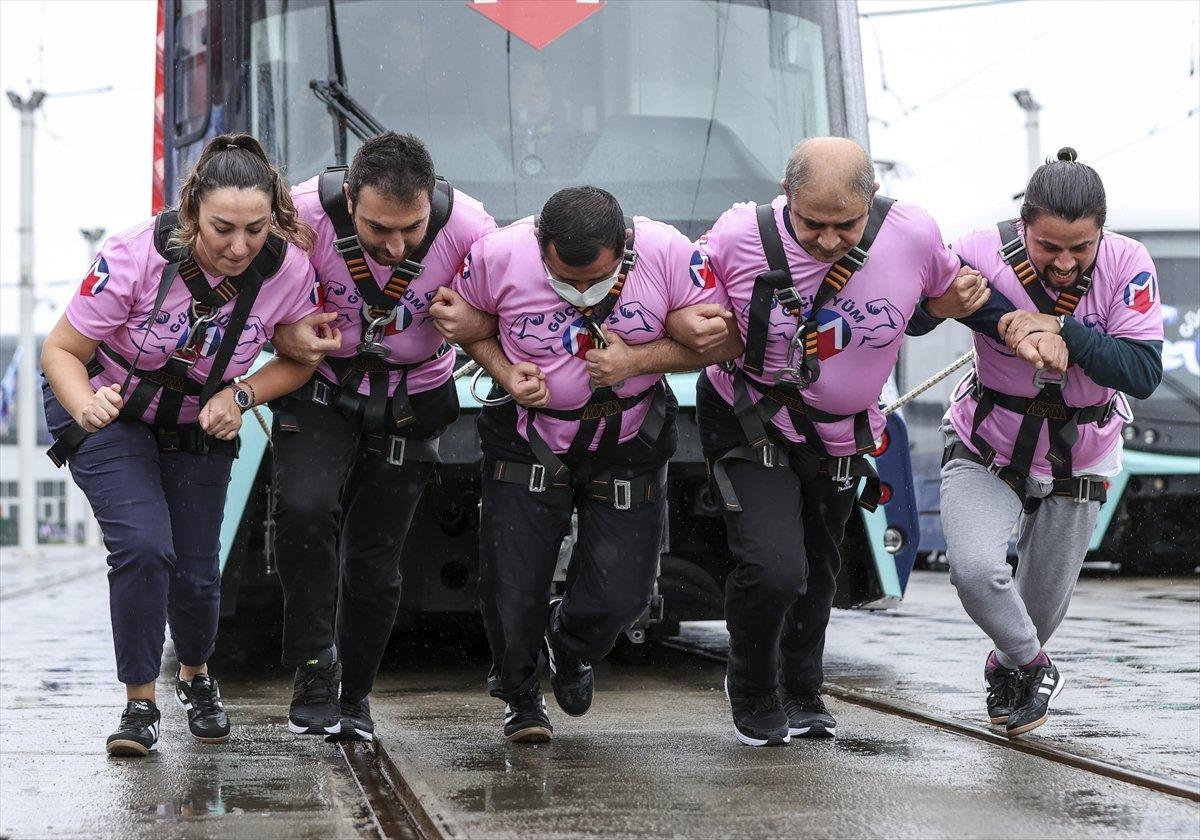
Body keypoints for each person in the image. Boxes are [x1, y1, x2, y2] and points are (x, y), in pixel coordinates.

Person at [695, 136, 1066, 747]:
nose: (828, 240)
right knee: (774, 568)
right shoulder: (738, 235)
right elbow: (681, 300)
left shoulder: (911, 233)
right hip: (751, 416)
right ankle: (754, 688)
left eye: (846, 225)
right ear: (786, 196)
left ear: (872, 199)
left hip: (842, 431)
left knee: (820, 567)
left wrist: (1013, 325)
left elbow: (956, 295)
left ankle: (803, 690)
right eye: (812, 224)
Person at [40, 133, 328, 757]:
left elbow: (300, 360)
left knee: (197, 572)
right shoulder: (133, 255)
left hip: (200, 420)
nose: (239, 246)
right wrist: (85, 405)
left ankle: (196, 677)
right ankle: (139, 703)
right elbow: (59, 350)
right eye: (223, 228)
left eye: (255, 229)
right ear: (192, 209)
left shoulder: (288, 272)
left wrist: (242, 396)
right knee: (145, 547)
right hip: (108, 409)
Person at [442, 185, 739, 742]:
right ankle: (520, 694)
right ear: (539, 243)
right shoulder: (497, 255)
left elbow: (726, 343)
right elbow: (465, 325)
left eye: (596, 279)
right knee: (511, 587)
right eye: (564, 279)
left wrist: (637, 360)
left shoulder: (668, 253)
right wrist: (506, 372)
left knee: (622, 595)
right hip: (528, 437)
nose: (581, 291)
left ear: (624, 245)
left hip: (629, 438)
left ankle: (570, 644)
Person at [911, 147, 1163, 737]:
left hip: (1080, 452)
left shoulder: (1129, 262)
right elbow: (913, 317)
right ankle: (1036, 666)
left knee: (1040, 606)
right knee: (975, 570)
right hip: (987, 441)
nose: (1065, 263)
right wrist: (942, 307)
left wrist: (1065, 331)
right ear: (1023, 224)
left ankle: (1008, 667)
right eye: (1049, 247)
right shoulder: (979, 250)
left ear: (1101, 233)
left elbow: (1142, 371)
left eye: (1081, 248)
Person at [266, 132, 496, 741]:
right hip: (321, 385)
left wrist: (474, 321)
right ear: (349, 200)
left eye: (411, 229)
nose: (395, 247)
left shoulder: (472, 229)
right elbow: (248, 300)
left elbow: (511, 309)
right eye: (377, 229)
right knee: (303, 511)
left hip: (411, 398)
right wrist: (283, 336)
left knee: (375, 558)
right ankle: (314, 668)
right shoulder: (299, 215)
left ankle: (355, 696)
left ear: (431, 201)